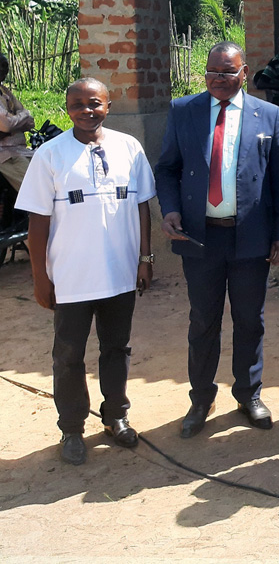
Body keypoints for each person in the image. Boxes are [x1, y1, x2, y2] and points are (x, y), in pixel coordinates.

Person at [16, 79, 155, 465]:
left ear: (108, 105)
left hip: (119, 274)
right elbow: (38, 223)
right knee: (68, 354)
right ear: (67, 109)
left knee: (116, 349)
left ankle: (116, 417)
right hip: (71, 277)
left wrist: (145, 260)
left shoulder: (129, 148)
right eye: (76, 104)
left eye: (94, 103)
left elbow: (142, 207)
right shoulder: (50, 155)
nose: (86, 110)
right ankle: (72, 429)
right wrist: (41, 278)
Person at [156, 41, 279, 439]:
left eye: (227, 72)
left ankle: (249, 394)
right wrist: (170, 209)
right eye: (212, 72)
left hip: (250, 238)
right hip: (199, 239)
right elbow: (166, 168)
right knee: (203, 321)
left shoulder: (269, 115)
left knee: (250, 320)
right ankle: (201, 398)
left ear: (244, 73)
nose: (218, 79)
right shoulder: (184, 111)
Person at [0, 53, 35, 192]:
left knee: (49, 170)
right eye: (1, 67)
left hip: (18, 150)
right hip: (6, 155)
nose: (4, 70)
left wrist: (15, 119)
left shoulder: (4, 91)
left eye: (5, 67)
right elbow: (5, 125)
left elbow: (30, 122)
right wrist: (23, 116)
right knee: (34, 190)